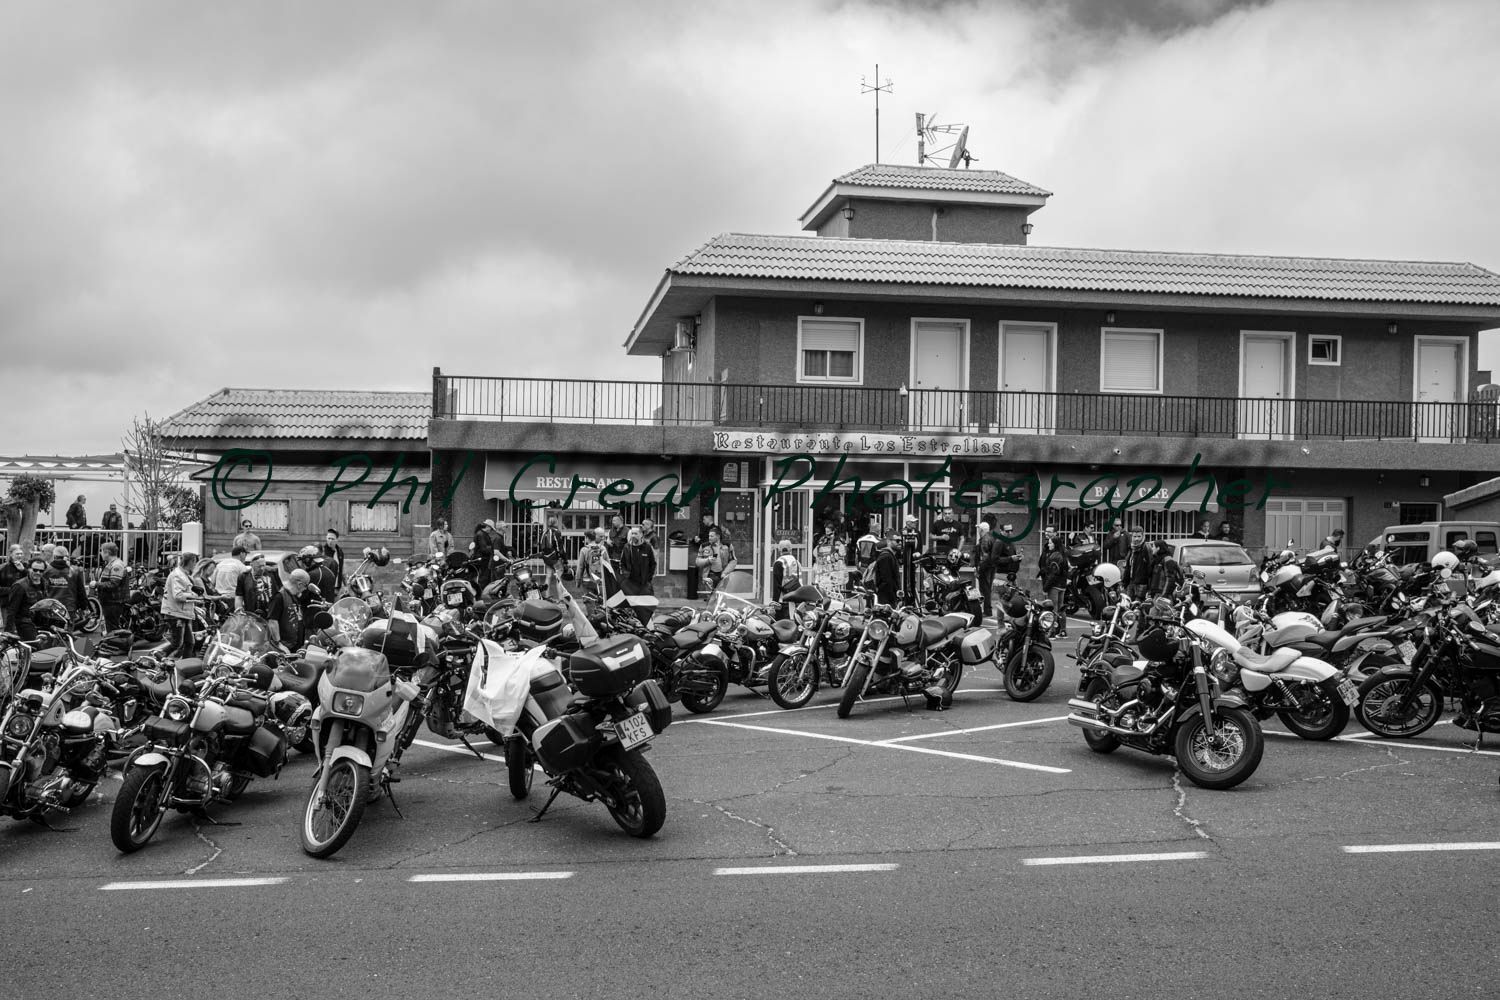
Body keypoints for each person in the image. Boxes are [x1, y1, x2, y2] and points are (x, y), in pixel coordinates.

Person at [161, 553, 203, 659]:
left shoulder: (184, 575)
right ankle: (156, 657)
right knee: (177, 643)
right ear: (191, 561)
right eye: (195, 562)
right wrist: (194, 596)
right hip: (176, 613)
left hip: (183, 613)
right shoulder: (178, 575)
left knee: (189, 642)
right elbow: (178, 595)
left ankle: (185, 667)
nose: (195, 565)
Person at [4, 557, 51, 641]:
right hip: (24, 623)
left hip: (41, 623)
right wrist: (8, 631)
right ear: (29, 569)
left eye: (41, 571)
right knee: (36, 647)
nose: (38, 573)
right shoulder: (20, 585)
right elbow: (11, 610)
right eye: (35, 570)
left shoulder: (45, 583)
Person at [267, 568, 312, 650]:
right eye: (305, 585)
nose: (305, 589)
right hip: (284, 646)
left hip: (294, 645)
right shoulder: (279, 597)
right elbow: (272, 622)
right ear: (299, 584)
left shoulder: (294, 595)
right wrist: (279, 644)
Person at [619, 527, 657, 624]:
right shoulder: (627, 547)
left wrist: (648, 578)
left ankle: (648, 624)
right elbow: (622, 563)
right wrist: (625, 575)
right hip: (630, 583)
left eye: (636, 533)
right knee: (632, 606)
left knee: (647, 605)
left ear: (641, 535)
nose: (633, 536)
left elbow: (653, 564)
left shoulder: (647, 547)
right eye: (632, 534)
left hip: (644, 583)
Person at [44, 546, 87, 619]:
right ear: (66, 557)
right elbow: (81, 590)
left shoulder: (47, 571)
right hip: (69, 607)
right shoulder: (73, 571)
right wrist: (83, 606)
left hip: (51, 606)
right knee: (68, 629)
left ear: (54, 556)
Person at [1039, 534, 1069, 638]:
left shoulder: (1054, 556)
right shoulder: (1063, 555)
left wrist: (1045, 587)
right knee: (1061, 608)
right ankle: (1063, 630)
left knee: (1052, 608)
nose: (1048, 544)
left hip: (1055, 585)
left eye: (1051, 543)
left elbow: (1052, 574)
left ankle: (1051, 631)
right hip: (1062, 585)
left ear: (1055, 544)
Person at [97, 542, 129, 632]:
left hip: (113, 602)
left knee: (112, 629)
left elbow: (113, 584)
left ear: (107, 552)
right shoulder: (112, 563)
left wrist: (97, 584)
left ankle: (115, 644)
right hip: (110, 601)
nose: (100, 553)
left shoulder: (116, 565)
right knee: (110, 626)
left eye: (101, 551)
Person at [695, 526, 736, 595]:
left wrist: (725, 573)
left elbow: (733, 561)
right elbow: (697, 562)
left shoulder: (728, 546)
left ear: (718, 536)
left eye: (711, 536)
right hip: (709, 575)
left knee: (722, 598)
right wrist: (708, 560)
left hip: (723, 575)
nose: (709, 538)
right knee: (711, 598)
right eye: (709, 536)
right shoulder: (704, 546)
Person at [236, 552, 274, 617]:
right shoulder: (244, 576)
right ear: (252, 565)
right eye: (259, 566)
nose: (262, 568)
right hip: (251, 614)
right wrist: (239, 609)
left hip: (270, 614)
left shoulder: (272, 573)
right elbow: (239, 596)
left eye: (263, 565)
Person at [536, 515, 567, 595]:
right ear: (555, 523)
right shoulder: (556, 532)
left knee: (548, 577)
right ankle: (561, 598)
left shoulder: (544, 532)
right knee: (558, 579)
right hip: (556, 559)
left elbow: (541, 545)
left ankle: (547, 596)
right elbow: (560, 547)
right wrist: (564, 559)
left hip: (547, 559)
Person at [0, 545, 26, 630]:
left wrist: (23, 571)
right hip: (7, 602)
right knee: (9, 627)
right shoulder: (3, 568)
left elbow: (34, 581)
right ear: (11, 554)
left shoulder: (26, 566)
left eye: (21, 554)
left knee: (23, 627)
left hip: (23, 603)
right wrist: (12, 590)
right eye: (17, 554)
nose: (20, 556)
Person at [975, 520, 998, 618]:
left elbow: (984, 556)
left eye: (979, 529)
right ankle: (988, 610)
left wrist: (979, 569)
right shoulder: (991, 538)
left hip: (986, 567)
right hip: (991, 567)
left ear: (982, 530)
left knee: (985, 589)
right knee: (987, 588)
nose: (978, 531)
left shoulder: (985, 539)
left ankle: (987, 611)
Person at [872, 534, 901, 606]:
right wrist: (892, 598)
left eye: (901, 541)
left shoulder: (889, 555)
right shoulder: (886, 557)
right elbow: (886, 580)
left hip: (888, 596)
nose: (900, 543)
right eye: (897, 541)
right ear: (889, 542)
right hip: (886, 598)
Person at [1122, 529, 1152, 600]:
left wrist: (1149, 587)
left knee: (1138, 606)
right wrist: (1124, 582)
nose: (1136, 539)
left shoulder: (1146, 548)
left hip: (1142, 584)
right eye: (1134, 536)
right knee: (1128, 605)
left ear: (1143, 536)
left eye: (1139, 536)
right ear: (1131, 537)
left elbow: (1150, 567)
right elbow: (1128, 567)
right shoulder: (1131, 548)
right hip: (1131, 582)